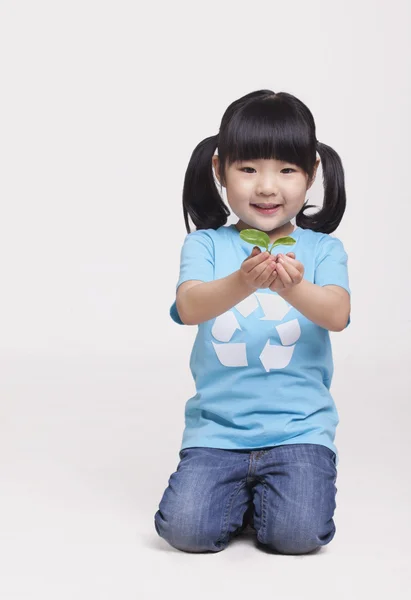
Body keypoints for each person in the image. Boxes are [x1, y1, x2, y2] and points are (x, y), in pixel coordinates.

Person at [154, 89, 351, 555]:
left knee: (297, 537)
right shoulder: (205, 244)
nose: (267, 187)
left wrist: (292, 288)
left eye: (286, 170)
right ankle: (239, 497)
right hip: (217, 432)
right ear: (220, 169)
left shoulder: (324, 250)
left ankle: (264, 498)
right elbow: (190, 307)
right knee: (184, 532)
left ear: (312, 174)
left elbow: (337, 315)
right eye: (248, 169)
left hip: (299, 431)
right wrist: (243, 283)